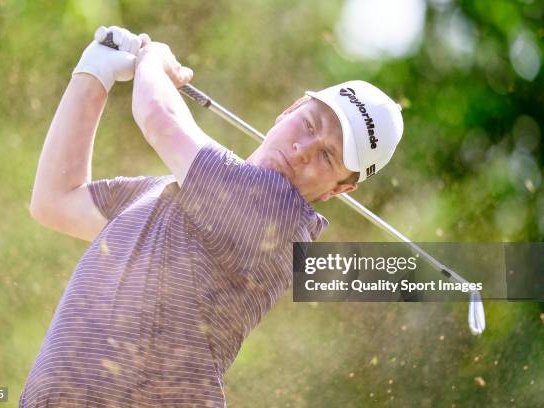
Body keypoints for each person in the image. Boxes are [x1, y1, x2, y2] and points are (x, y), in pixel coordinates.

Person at [22, 26, 403, 407]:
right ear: (289, 110)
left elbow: (159, 117)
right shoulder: (162, 193)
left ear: (338, 189)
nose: (304, 149)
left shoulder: (277, 216)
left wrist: (155, 56)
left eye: (327, 156)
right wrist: (93, 72)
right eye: (308, 124)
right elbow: (55, 201)